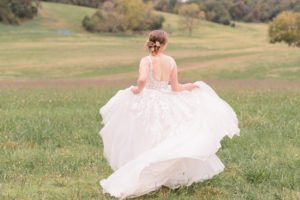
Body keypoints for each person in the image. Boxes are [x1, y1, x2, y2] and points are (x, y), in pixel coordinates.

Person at [99, 30, 240, 199]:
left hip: (148, 100)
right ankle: (163, 172)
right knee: (167, 136)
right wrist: (188, 86)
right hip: (166, 101)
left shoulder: (147, 60)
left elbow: (143, 80)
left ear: (150, 42)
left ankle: (146, 169)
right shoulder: (171, 61)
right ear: (164, 44)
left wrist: (137, 90)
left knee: (145, 135)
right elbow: (175, 87)